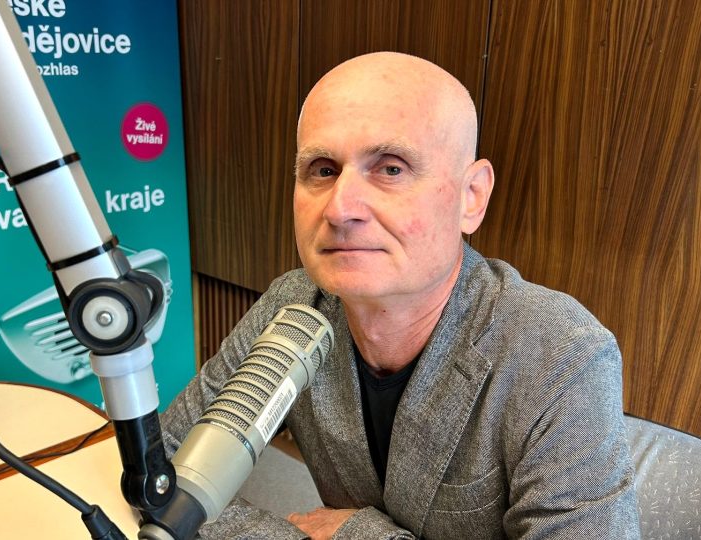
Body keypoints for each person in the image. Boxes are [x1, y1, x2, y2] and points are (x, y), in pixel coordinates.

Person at [161, 51, 640, 539]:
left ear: (471, 196)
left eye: (390, 169)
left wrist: (360, 535)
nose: (340, 209)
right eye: (323, 170)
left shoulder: (560, 354)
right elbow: (162, 475)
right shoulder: (295, 306)